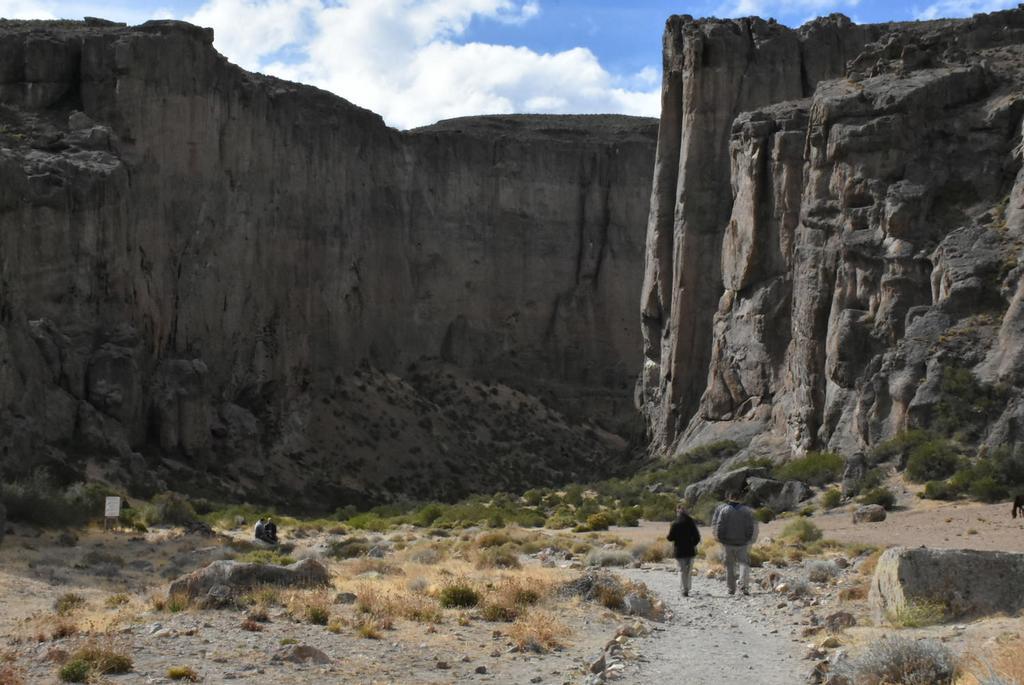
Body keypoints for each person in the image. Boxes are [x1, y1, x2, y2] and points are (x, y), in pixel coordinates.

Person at [711, 491, 758, 596]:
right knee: (744, 565)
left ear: (730, 498)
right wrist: (748, 538)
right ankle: (744, 587)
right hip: (742, 543)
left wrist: (721, 539)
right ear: (740, 498)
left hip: (728, 544)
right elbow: (751, 526)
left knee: (730, 566)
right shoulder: (747, 511)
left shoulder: (724, 510)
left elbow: (719, 526)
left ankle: (731, 589)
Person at [666, 505, 701, 597]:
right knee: (688, 570)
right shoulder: (691, 522)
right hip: (690, 550)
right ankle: (688, 588)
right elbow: (697, 537)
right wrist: (692, 544)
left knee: (682, 570)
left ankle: (683, 589)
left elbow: (670, 538)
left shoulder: (675, 523)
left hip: (679, 550)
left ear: (678, 512)